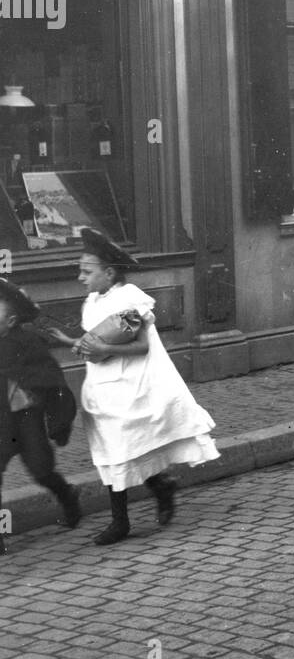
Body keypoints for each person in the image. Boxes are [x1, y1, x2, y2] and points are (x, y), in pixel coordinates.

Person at [72, 229, 219, 546]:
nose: (81, 277)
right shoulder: (93, 300)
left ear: (109, 272)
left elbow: (140, 347)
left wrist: (103, 351)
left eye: (87, 271)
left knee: (124, 445)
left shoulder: (128, 299)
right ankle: (150, 495)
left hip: (131, 383)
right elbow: (97, 339)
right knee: (116, 449)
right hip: (104, 386)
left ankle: (127, 515)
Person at [0, 277, 81, 556]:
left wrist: (57, 416)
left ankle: (68, 496)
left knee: (41, 470)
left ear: (11, 321)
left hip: (27, 419)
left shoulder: (27, 342)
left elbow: (50, 376)